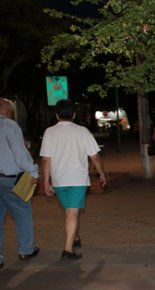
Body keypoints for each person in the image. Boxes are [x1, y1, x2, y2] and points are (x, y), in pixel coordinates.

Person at [40, 99, 108, 260]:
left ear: (56, 115)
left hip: (58, 179)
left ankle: (73, 241)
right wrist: (102, 173)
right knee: (72, 211)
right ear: (74, 114)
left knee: (71, 210)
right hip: (77, 178)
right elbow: (95, 156)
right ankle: (68, 250)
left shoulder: (49, 132)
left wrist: (46, 182)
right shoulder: (82, 131)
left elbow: (45, 160)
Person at [0, 98, 40, 269]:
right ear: (8, 111)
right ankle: (26, 249)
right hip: (10, 179)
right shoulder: (9, 126)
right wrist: (33, 172)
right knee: (23, 214)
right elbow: (20, 152)